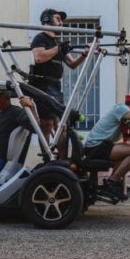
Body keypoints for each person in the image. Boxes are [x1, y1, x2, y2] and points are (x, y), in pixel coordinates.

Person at [29, 8, 90, 157]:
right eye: (57, 18)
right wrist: (58, 49)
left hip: (56, 86)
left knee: (60, 125)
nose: (61, 22)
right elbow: (39, 58)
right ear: (47, 20)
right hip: (43, 85)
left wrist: (84, 54)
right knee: (47, 123)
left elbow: (72, 64)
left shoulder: (57, 42)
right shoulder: (40, 38)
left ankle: (62, 160)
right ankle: (47, 157)